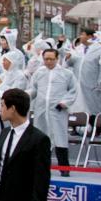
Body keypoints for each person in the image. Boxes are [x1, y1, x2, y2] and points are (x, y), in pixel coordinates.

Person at [29, 46, 78, 175]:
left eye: (51, 59)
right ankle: (40, 167)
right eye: (46, 59)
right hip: (41, 110)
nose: (49, 62)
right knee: (40, 138)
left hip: (57, 111)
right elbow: (33, 90)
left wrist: (64, 103)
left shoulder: (66, 73)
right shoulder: (39, 73)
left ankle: (64, 169)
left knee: (60, 138)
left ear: (57, 59)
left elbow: (73, 90)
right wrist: (24, 96)